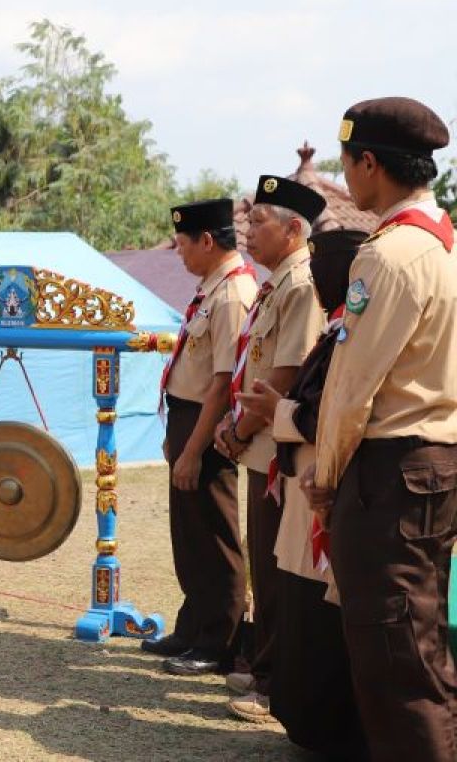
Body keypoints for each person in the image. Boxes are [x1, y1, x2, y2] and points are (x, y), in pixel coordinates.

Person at [301, 97, 457, 761]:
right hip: (430, 466)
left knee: (397, 663)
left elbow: (350, 389)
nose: (348, 176)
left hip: (390, 473)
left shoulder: (389, 258)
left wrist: (326, 476)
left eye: (348, 161)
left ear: (369, 164)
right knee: (415, 650)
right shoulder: (443, 244)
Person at [237, 227, 370, 759]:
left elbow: (332, 414)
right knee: (297, 606)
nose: (314, 280)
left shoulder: (351, 337)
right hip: (302, 489)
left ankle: (322, 725)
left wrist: (279, 412)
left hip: (324, 490)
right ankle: (301, 716)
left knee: (319, 615)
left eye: (323, 270)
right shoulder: (335, 334)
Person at [211, 176, 326, 720]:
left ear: (294, 229)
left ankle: (273, 680)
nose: (247, 230)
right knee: (266, 564)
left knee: (279, 572)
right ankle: (265, 666)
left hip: (277, 450)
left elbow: (284, 376)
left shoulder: (301, 285)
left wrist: (239, 430)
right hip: (261, 445)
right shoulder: (277, 283)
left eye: (259, 222)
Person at [144, 199, 257, 675]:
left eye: (184, 245)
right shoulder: (212, 288)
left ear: (207, 241)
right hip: (187, 416)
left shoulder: (233, 294)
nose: (179, 255)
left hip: (207, 424)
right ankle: (194, 628)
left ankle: (219, 641)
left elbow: (222, 383)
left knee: (214, 534)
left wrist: (194, 448)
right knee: (189, 534)